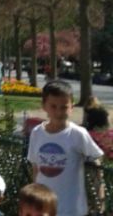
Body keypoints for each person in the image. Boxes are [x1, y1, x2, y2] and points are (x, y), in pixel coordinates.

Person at [27, 80, 103, 216]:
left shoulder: (78, 134)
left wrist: (100, 202)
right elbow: (36, 169)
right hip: (44, 209)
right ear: (44, 106)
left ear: (71, 107)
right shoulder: (37, 133)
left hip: (71, 209)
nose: (58, 112)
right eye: (53, 106)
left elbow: (97, 166)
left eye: (64, 107)